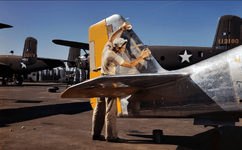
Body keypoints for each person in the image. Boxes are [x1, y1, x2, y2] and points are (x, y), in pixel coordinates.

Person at [92, 22, 151, 142]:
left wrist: (121, 28)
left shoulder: (107, 48)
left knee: (99, 109)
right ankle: (111, 136)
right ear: (118, 47)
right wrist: (142, 56)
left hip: (101, 81)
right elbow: (130, 65)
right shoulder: (114, 56)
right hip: (109, 82)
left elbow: (111, 38)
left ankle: (95, 134)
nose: (124, 49)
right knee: (110, 111)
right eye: (123, 48)